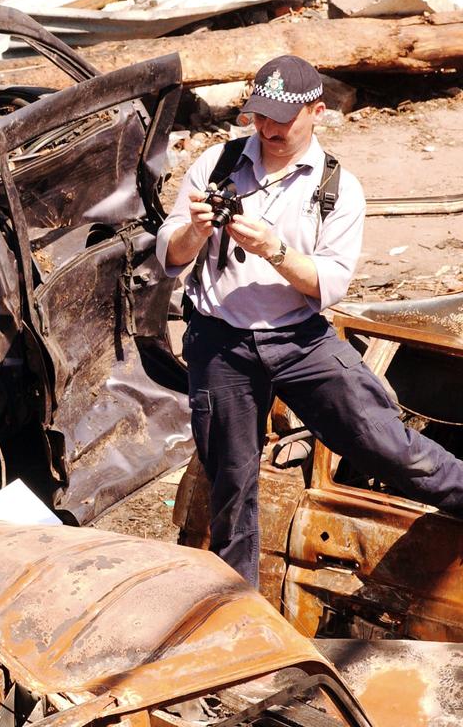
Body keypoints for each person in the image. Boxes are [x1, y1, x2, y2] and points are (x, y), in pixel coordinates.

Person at [156, 54, 463, 587]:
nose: (268, 128)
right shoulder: (215, 164)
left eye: (282, 118)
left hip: (300, 341)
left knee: (388, 444)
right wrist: (197, 232)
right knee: (231, 486)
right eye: (259, 116)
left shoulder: (340, 189)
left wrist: (274, 250)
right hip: (220, 343)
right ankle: (246, 619)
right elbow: (169, 254)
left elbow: (328, 285)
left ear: (317, 112)